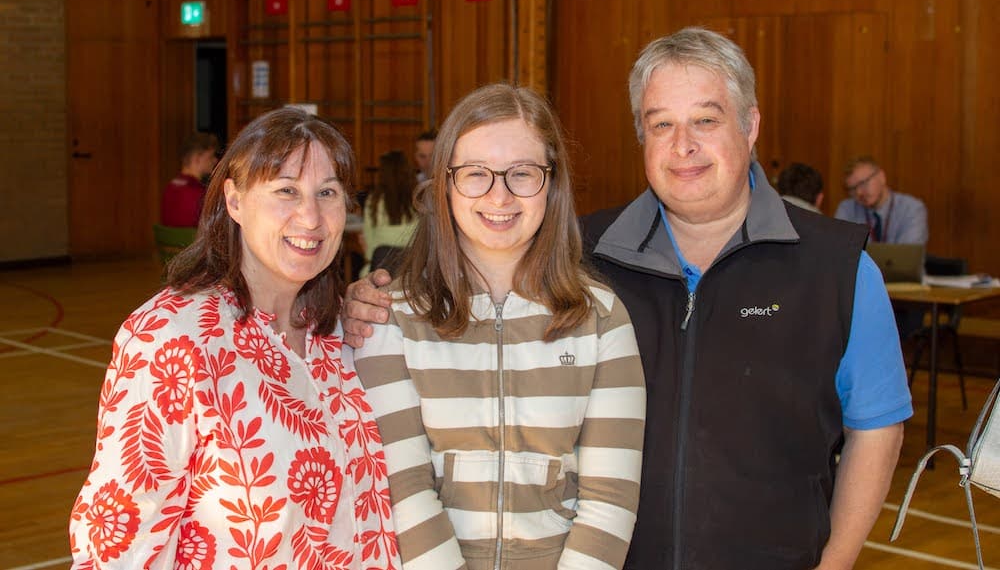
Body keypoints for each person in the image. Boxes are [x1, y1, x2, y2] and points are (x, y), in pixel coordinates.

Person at [344, 29, 912, 570]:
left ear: (751, 123)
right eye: (660, 123)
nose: (683, 145)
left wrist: (833, 564)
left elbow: (877, 429)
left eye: (706, 120)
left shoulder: (835, 267)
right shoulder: (582, 257)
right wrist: (366, 300)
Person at [69, 108, 399, 568]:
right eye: (286, 190)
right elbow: (119, 539)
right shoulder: (172, 339)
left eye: (328, 193)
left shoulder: (338, 332)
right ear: (235, 200)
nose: (311, 216)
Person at [352, 83, 645, 569]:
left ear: (551, 184)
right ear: (445, 183)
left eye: (522, 174)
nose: (499, 195)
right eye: (475, 174)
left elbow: (610, 498)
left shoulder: (601, 317)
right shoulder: (391, 317)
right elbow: (400, 487)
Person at [835, 155, 928, 244]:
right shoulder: (847, 209)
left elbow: (908, 254)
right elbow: (842, 250)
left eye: (863, 183)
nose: (859, 193)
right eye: (853, 189)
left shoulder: (911, 208)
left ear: (882, 177)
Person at [359, 149, 418, 276]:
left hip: (378, 273)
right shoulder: (419, 199)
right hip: (414, 273)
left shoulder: (373, 201)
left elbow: (369, 252)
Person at [160, 131, 219, 227]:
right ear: (197, 158)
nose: (215, 160)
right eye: (211, 156)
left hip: (171, 242)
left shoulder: (169, 188)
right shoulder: (201, 194)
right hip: (193, 241)